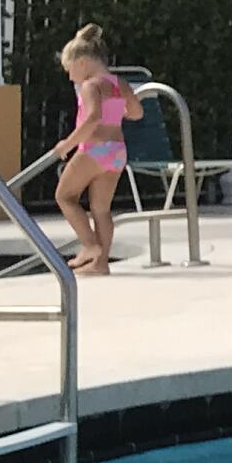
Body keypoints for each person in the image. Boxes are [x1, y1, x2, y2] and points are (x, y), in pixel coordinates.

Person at [51, 24, 130, 275]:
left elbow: (93, 117)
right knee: (101, 209)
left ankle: (89, 246)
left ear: (82, 63)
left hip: (95, 150)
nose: (70, 76)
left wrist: (68, 144)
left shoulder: (90, 86)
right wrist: (116, 113)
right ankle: (101, 264)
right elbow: (137, 112)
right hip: (117, 151)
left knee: (64, 196)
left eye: (69, 69)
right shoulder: (119, 84)